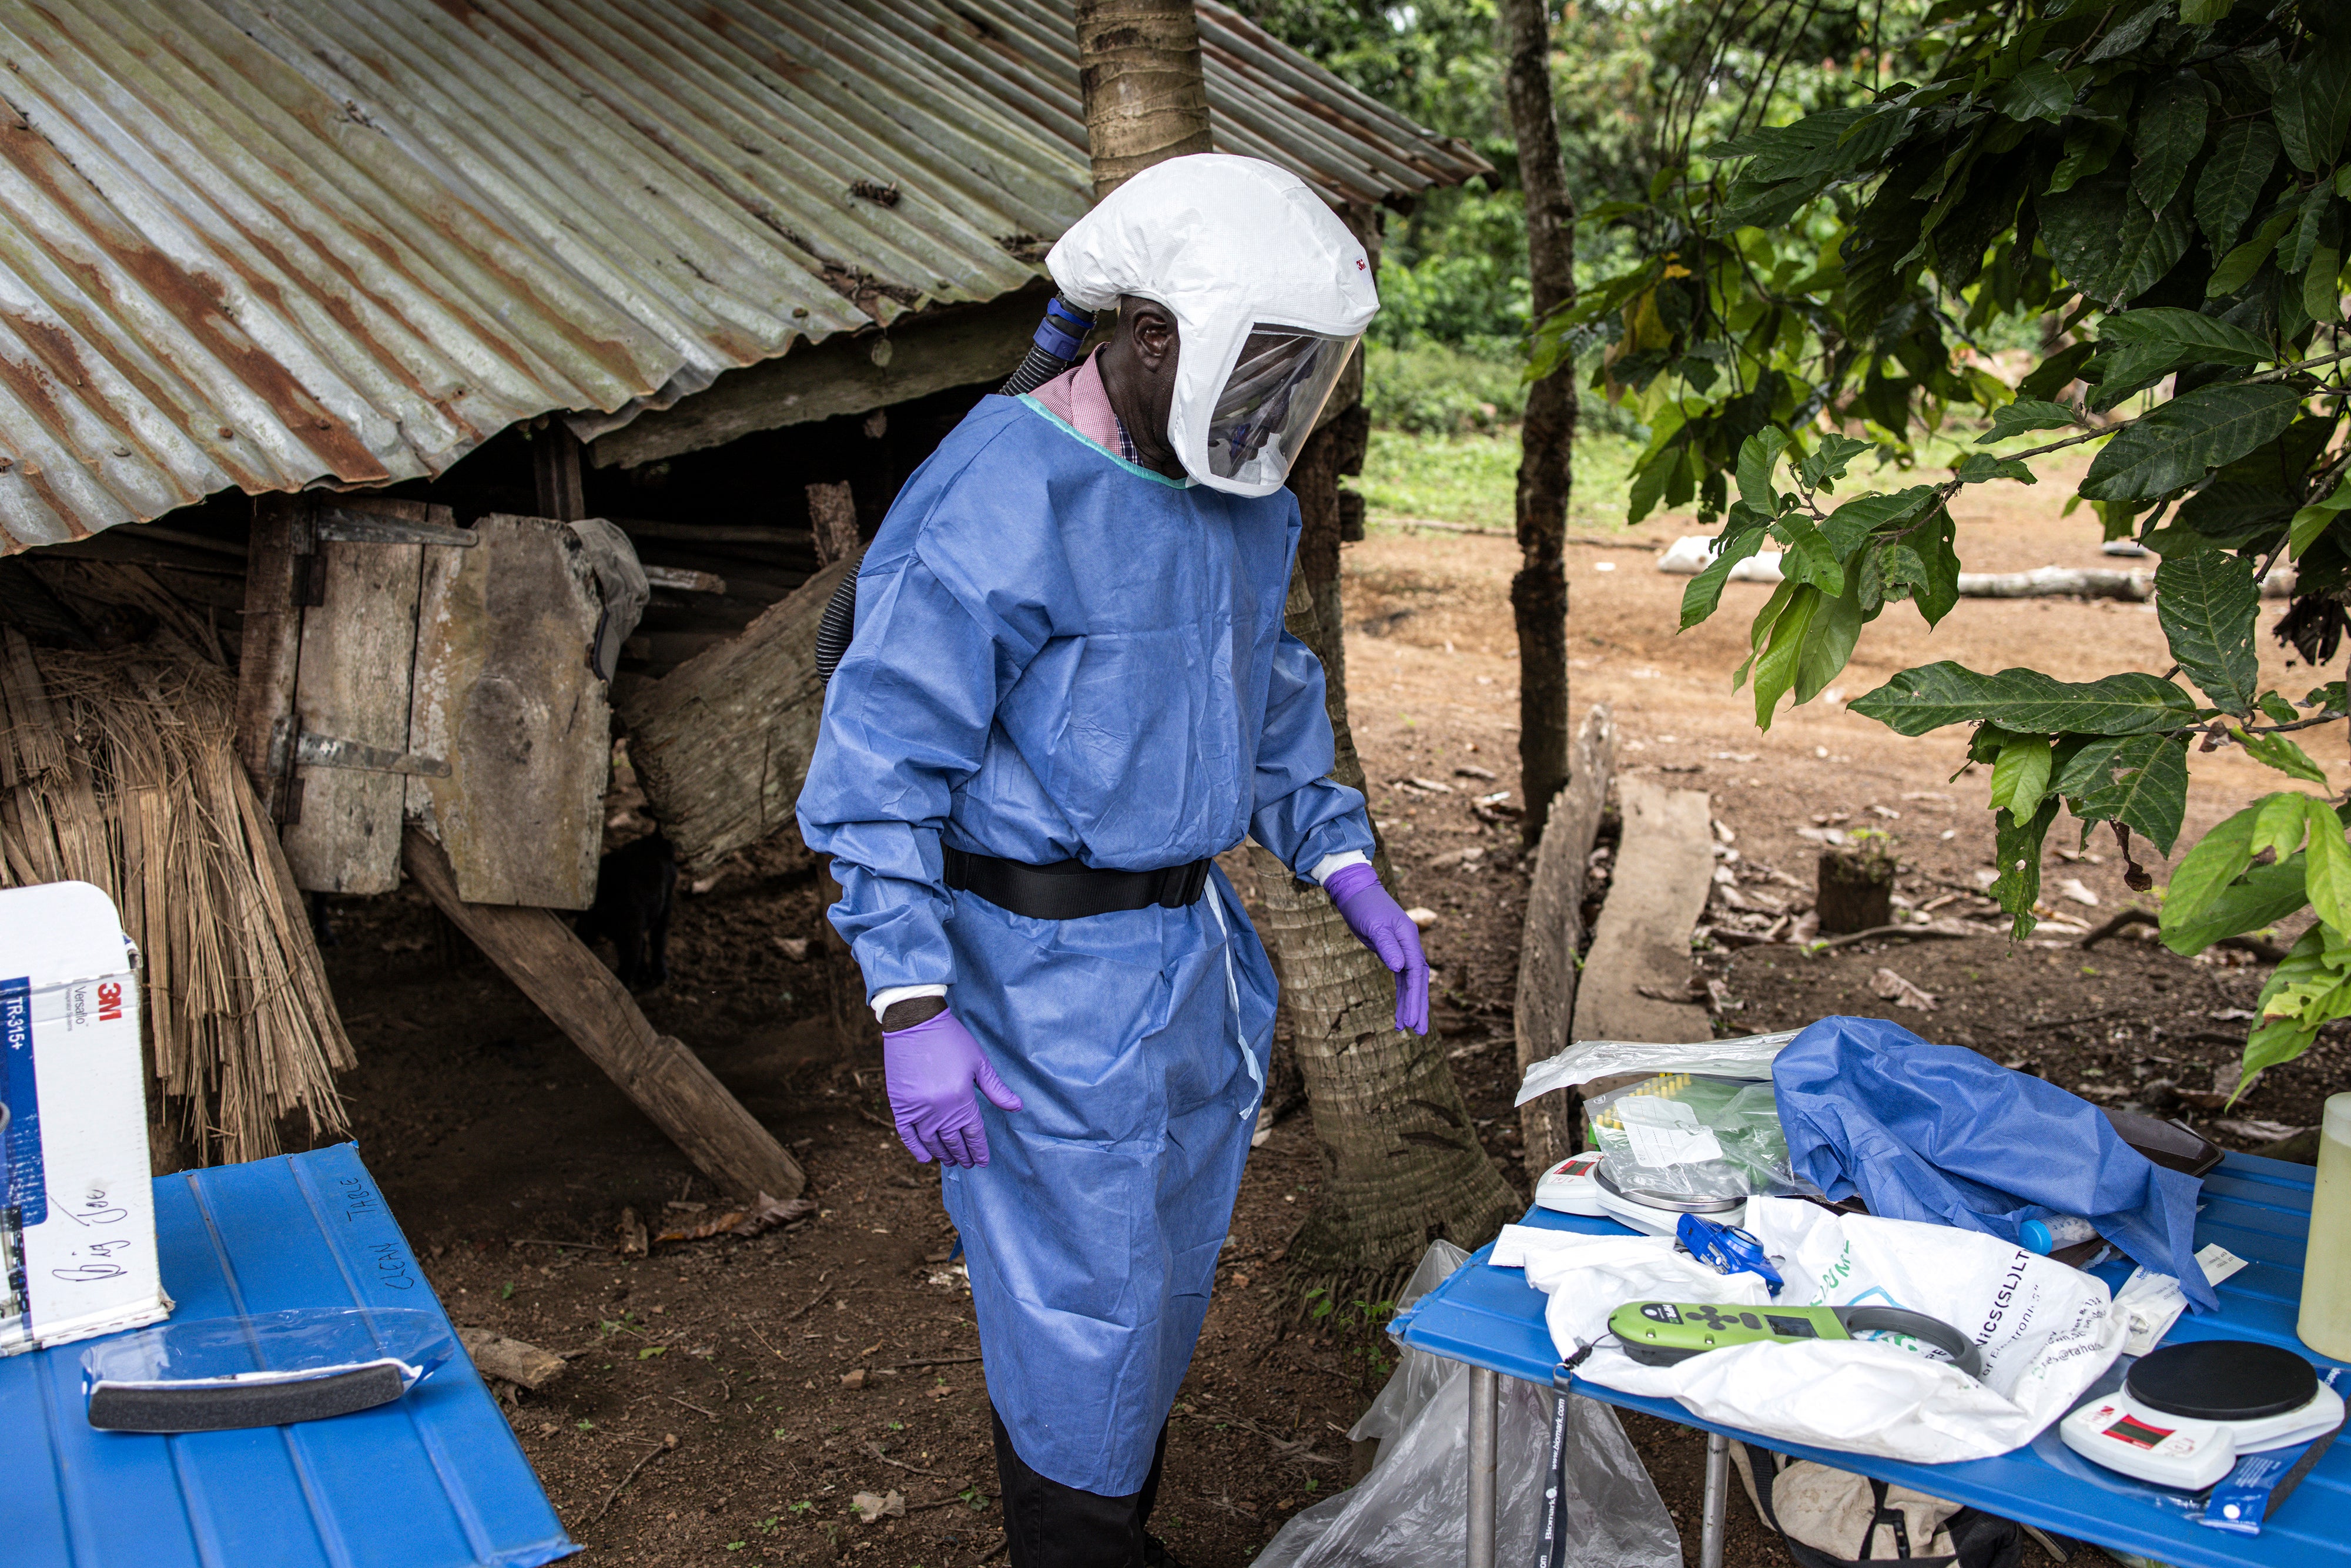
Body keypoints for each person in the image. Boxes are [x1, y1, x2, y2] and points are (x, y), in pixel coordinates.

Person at [796, 154, 1432, 1568]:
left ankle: (1108, 1519)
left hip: (1185, 958)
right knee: (1073, 1307)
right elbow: (878, 767)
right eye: (1255, 360)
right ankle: (1080, 1548)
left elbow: (1263, 689)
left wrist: (1337, 859)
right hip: (1035, 977)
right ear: (1150, 337)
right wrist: (911, 1003)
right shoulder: (996, 492)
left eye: (1298, 367)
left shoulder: (1234, 493)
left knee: (1150, 1278)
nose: (1271, 401)